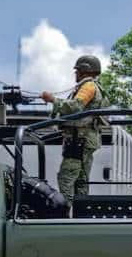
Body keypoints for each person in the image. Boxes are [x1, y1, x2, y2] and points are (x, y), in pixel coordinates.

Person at [40, 55, 110, 204]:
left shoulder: (88, 86)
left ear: (85, 70)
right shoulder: (93, 86)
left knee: (66, 178)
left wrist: (52, 100)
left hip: (79, 139)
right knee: (81, 180)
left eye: (77, 70)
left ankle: (65, 213)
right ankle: (79, 214)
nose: (75, 74)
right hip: (85, 139)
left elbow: (75, 107)